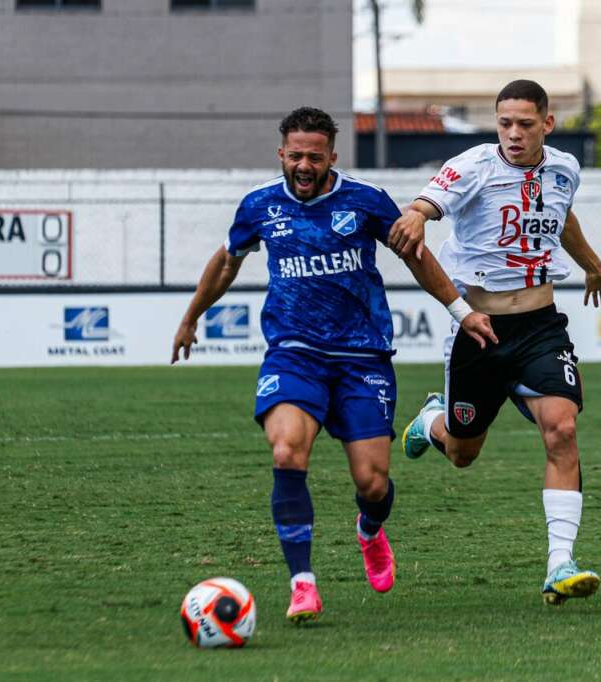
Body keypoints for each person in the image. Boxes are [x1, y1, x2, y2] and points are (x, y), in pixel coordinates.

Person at [171, 107, 496, 624]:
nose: (304, 165)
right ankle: (303, 584)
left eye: (314, 157)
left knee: (372, 484)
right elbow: (227, 261)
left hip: (361, 357)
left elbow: (415, 256)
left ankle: (369, 530)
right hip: (293, 353)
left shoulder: (364, 200)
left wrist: (461, 310)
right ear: (281, 154)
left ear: (332, 158)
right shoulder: (258, 206)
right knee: (286, 452)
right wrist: (191, 317)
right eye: (295, 155)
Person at [388, 80, 601, 606]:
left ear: (547, 123)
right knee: (462, 454)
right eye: (504, 123)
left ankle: (559, 563)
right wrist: (413, 215)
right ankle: (433, 420)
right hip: (480, 331)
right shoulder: (473, 166)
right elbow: (428, 202)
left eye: (524, 123)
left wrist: (593, 267)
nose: (513, 134)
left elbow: (563, 219)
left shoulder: (564, 169)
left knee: (561, 428)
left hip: (541, 327)